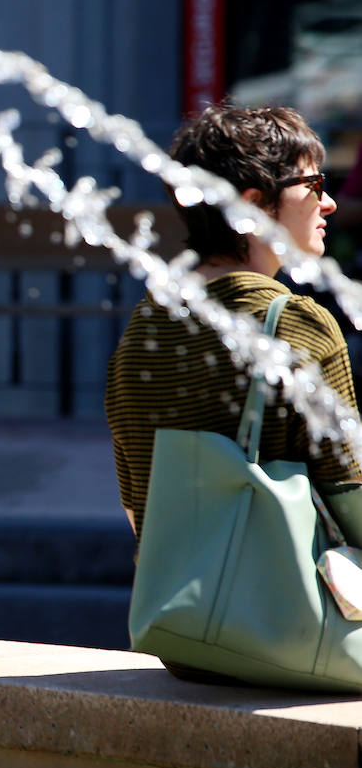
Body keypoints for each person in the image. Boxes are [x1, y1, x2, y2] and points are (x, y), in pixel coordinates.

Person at [105, 104, 362, 677]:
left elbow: (137, 505)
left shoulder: (146, 324)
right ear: (251, 206)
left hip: (190, 641)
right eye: (312, 184)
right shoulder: (295, 322)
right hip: (303, 633)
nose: (329, 202)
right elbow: (353, 496)